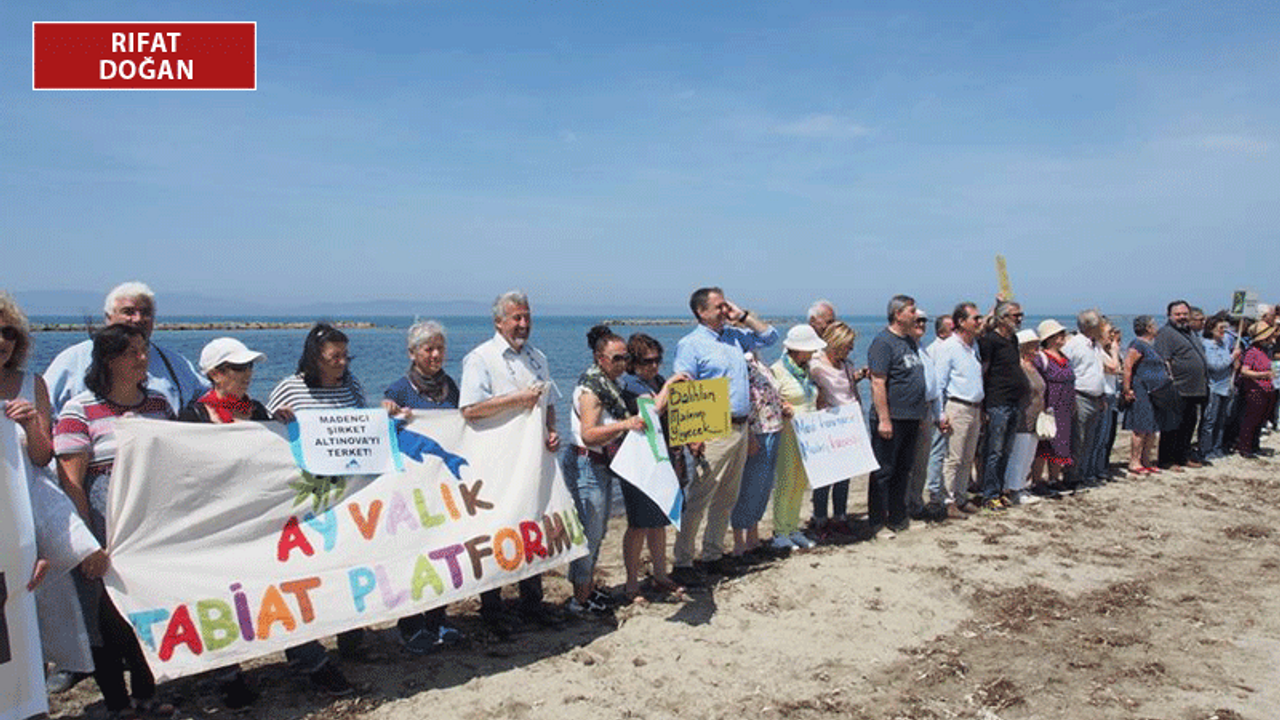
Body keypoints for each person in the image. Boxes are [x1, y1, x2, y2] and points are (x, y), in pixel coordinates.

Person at [53, 324, 176, 719]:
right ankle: (118, 705)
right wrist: (87, 543)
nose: (143, 359)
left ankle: (146, 695)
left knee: (146, 612)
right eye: (132, 353)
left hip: (149, 527)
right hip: (102, 528)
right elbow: (71, 482)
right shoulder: (79, 410)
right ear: (108, 360)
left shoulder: (158, 404)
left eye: (144, 351)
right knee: (105, 621)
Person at [0, 292, 104, 692]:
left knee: (38, 596)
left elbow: (43, 457)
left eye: (10, 332)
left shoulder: (33, 383)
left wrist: (29, 424)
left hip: (27, 501)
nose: (3, 340)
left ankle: (37, 686)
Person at [263, 323, 365, 691]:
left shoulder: (351, 385)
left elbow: (363, 430)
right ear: (314, 358)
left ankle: (351, 637)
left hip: (346, 495)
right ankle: (305, 651)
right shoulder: (291, 388)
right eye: (332, 358)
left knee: (348, 565)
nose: (341, 363)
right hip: (305, 498)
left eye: (345, 356)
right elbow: (260, 432)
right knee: (310, 573)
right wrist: (278, 419)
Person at [174, 338, 272, 708]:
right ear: (215, 374)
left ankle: (306, 657)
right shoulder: (194, 416)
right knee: (221, 596)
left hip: (257, 518)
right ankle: (227, 674)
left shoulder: (258, 410)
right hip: (216, 523)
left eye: (249, 367)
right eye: (237, 368)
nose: (246, 375)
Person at [458, 291, 561, 631]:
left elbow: (548, 403)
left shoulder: (537, 357)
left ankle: (533, 602)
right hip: (495, 461)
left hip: (532, 461)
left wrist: (551, 430)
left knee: (532, 524)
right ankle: (493, 609)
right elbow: (470, 410)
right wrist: (516, 400)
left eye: (527, 316)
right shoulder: (480, 359)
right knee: (497, 530)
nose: (523, 324)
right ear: (498, 321)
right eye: (516, 318)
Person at [670, 287, 778, 586]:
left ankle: (713, 555)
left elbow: (770, 337)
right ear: (700, 312)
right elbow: (684, 388)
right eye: (718, 306)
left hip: (741, 427)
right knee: (700, 496)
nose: (724, 310)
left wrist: (742, 316)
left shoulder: (734, 336)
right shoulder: (690, 344)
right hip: (712, 428)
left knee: (727, 497)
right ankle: (682, 561)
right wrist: (692, 436)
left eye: (725, 305)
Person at [381, 320, 467, 652]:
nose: (435, 354)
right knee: (415, 556)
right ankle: (411, 625)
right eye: (428, 348)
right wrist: (386, 411)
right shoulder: (399, 389)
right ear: (412, 353)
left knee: (444, 553)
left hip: (444, 488)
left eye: (439, 348)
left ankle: (438, 619)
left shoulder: (452, 387)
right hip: (412, 493)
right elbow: (384, 427)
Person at [562, 326, 647, 614]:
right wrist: (626, 424)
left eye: (626, 358)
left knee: (598, 532)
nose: (623, 364)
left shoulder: (611, 385)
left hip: (601, 465)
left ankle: (585, 591)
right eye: (617, 358)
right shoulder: (592, 390)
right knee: (589, 533)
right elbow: (589, 434)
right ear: (600, 358)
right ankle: (580, 598)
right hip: (586, 463)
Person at [44, 281, 208, 415]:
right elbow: (44, 408)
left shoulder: (175, 362)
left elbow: (206, 397)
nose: (138, 319)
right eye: (128, 312)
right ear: (108, 317)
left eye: (145, 313)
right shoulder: (74, 359)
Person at [618, 333, 687, 597]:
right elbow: (652, 410)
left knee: (660, 520)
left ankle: (660, 574)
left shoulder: (656, 381)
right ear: (633, 363)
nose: (654, 366)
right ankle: (632, 582)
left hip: (664, 457)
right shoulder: (631, 385)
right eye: (648, 361)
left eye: (658, 360)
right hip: (639, 462)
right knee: (638, 524)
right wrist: (670, 383)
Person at [866, 295, 928, 537]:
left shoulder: (909, 342)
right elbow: (878, 383)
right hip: (892, 417)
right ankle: (877, 522)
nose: (916, 316)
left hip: (912, 416)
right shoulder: (883, 342)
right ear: (898, 314)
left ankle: (898, 518)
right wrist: (884, 418)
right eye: (912, 311)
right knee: (883, 471)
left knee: (904, 469)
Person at [807, 320, 867, 538]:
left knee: (845, 475)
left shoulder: (847, 365)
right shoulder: (816, 365)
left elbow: (850, 391)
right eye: (847, 345)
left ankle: (840, 516)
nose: (850, 349)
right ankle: (820, 518)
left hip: (848, 423)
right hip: (827, 423)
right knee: (825, 475)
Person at [770, 325, 826, 548]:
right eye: (809, 350)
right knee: (786, 479)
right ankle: (780, 531)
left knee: (801, 480)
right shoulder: (777, 370)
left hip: (808, 432)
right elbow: (770, 400)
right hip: (788, 432)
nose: (812, 354)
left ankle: (793, 528)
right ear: (797, 350)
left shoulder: (807, 370)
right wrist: (783, 406)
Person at [932, 302, 987, 513]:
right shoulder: (949, 347)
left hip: (974, 407)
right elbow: (939, 383)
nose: (979, 322)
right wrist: (940, 413)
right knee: (953, 457)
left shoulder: (973, 347)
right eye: (975, 318)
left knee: (967, 456)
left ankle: (962, 496)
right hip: (957, 406)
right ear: (962, 322)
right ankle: (948, 501)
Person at [732, 351, 789, 553]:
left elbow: (768, 394)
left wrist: (782, 406)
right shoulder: (742, 362)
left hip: (773, 425)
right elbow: (740, 400)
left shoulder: (760, 362)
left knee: (764, 485)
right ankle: (739, 540)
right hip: (757, 430)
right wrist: (748, 434)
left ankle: (753, 535)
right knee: (749, 485)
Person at [977, 300, 1029, 509]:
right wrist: (983, 405)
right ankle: (989, 494)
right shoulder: (990, 341)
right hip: (997, 401)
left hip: (1013, 400)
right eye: (1015, 315)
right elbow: (983, 371)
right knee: (994, 450)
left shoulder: (1013, 340)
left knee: (1006, 450)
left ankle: (999, 489)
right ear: (1002, 318)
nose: (1019, 319)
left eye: (1020, 315)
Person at [1062, 310, 1117, 487]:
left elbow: (1102, 370)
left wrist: (1100, 396)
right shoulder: (1075, 344)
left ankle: (1083, 474)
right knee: (1078, 439)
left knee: (1090, 440)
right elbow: (1066, 368)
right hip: (1080, 396)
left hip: (1095, 397)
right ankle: (1072, 477)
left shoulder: (1094, 345)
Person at [1153, 300, 1209, 470]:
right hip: (1177, 388)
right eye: (1178, 314)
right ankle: (1167, 460)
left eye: (1185, 314)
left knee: (1188, 425)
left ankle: (1183, 457)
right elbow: (1163, 360)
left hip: (1195, 389)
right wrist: (1169, 385)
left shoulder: (1190, 333)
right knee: (1172, 427)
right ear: (1169, 316)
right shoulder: (1166, 333)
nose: (1182, 317)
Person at [1122, 316, 1176, 474]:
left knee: (1152, 427)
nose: (1156, 327)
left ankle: (1146, 460)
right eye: (1154, 325)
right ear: (1147, 328)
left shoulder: (1152, 346)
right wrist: (1127, 389)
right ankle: (1135, 461)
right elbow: (1128, 366)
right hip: (1142, 390)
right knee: (1140, 427)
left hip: (1156, 392)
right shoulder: (1137, 344)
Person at [1032, 320, 1075, 490]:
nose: (1063, 337)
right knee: (1044, 444)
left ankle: (1054, 478)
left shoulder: (1065, 357)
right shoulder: (1042, 358)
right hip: (1049, 405)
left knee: (1061, 442)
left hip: (1064, 406)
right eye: (1059, 334)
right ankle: (1036, 480)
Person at [1004, 329, 1044, 503]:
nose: (1037, 350)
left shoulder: (1033, 366)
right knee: (1019, 454)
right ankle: (1014, 489)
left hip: (1036, 416)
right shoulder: (1019, 366)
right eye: (1034, 346)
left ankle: (1022, 486)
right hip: (1023, 415)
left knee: (1029, 454)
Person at [1199, 315, 1239, 460]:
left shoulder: (1222, 343)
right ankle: (1206, 449)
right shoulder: (1207, 344)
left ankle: (1217, 447)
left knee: (1221, 420)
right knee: (1210, 420)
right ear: (1211, 329)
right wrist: (1232, 357)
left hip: (1225, 386)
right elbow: (1215, 366)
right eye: (1221, 328)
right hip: (1213, 387)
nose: (1224, 331)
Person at [1235, 322, 1276, 458]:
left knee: (1260, 419)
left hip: (1266, 388)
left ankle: (1254, 445)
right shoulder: (1252, 351)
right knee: (1251, 420)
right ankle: (1245, 447)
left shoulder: (1265, 351)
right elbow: (1244, 371)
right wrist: (1262, 375)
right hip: (1254, 389)